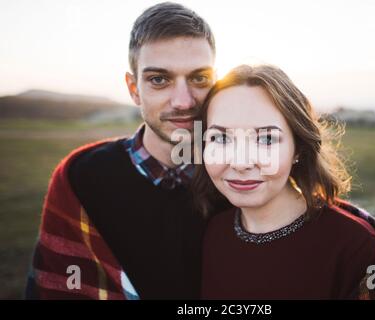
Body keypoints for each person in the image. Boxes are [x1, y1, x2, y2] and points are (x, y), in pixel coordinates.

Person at [26, 2, 229, 299]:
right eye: (159, 79)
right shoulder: (80, 177)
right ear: (134, 89)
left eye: (199, 78)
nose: (184, 101)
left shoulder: (243, 178)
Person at [193, 64, 375, 299]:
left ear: (298, 147)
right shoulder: (213, 231)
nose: (240, 162)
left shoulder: (355, 245)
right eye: (221, 138)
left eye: (266, 139)